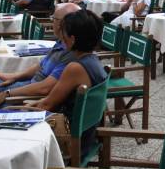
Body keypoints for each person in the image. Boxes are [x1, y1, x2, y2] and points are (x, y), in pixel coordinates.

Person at [0, 3, 81, 110]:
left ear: (63, 23)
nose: (51, 22)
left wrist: (5, 94)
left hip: (30, 93)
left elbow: (44, 88)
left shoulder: (71, 52)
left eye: (54, 19)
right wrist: (14, 76)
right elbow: (41, 65)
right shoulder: (62, 42)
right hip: (27, 84)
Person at [31, 9, 108, 158]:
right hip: (86, 136)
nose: (61, 37)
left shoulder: (75, 68)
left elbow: (47, 105)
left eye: (64, 32)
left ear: (72, 39)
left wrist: (17, 110)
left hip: (67, 142)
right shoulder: (94, 61)